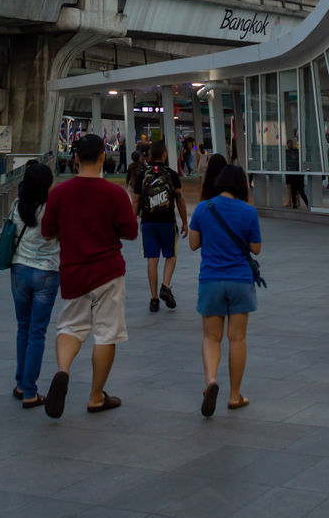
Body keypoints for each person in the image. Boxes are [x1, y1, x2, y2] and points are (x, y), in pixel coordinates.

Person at [40, 133, 138, 418]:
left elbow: (47, 231)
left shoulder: (59, 193)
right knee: (106, 333)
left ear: (75, 159)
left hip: (73, 271)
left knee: (69, 327)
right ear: (103, 158)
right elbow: (131, 232)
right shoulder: (114, 193)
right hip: (108, 271)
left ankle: (63, 371)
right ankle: (96, 396)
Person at [188, 164, 261, 417]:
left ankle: (210, 381)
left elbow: (194, 244)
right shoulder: (249, 211)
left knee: (211, 338)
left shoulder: (202, 208)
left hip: (211, 280)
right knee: (237, 339)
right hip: (240, 280)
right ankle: (234, 396)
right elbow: (256, 248)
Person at [9, 161, 59, 408]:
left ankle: (21, 384)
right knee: (37, 332)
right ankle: (30, 391)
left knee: (23, 328)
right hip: (46, 273)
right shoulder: (52, 209)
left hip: (19, 270)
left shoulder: (18, 206)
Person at [132, 138, 188, 312]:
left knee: (152, 259)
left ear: (149, 156)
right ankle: (165, 285)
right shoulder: (171, 174)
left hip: (148, 223)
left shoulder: (143, 175)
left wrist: (132, 219)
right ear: (164, 154)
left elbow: (136, 201)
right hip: (167, 221)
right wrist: (185, 222)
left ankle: (154, 298)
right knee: (170, 255)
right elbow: (180, 199)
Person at [284, 139, 309, 210]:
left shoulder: (297, 152)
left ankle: (307, 204)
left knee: (301, 191)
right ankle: (294, 205)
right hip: (292, 174)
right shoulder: (288, 152)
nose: (290, 145)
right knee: (293, 191)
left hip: (297, 175)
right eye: (289, 143)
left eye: (290, 143)